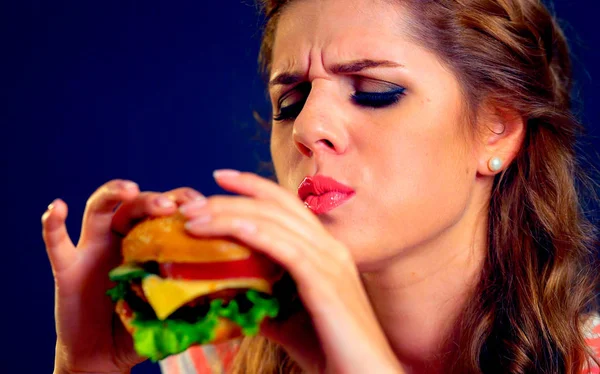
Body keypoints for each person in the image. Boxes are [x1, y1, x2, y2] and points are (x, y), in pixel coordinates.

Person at [42, 0, 600, 373]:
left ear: (495, 129)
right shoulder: (214, 356)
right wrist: (84, 365)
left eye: (375, 90)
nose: (308, 129)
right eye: (291, 101)